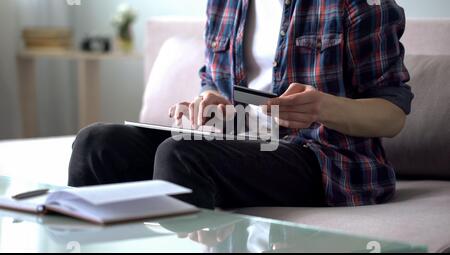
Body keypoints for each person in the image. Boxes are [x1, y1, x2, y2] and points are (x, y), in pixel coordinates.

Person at [68, 0, 413, 208]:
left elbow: (392, 112)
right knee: (97, 144)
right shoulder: (225, 3)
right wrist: (212, 103)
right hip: (240, 143)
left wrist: (322, 107)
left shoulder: (359, 4)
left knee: (180, 155)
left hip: (320, 156)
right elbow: (216, 84)